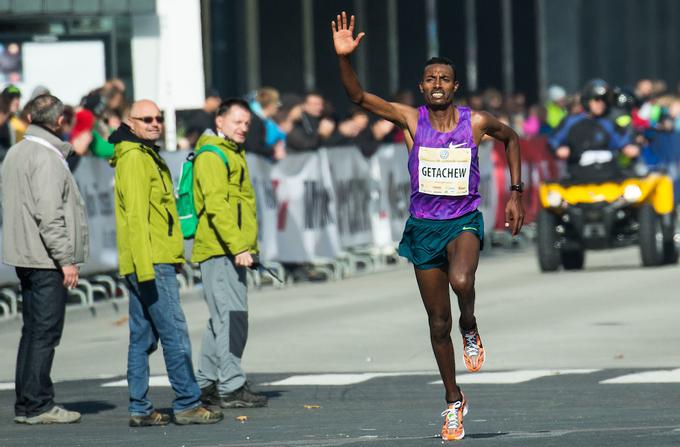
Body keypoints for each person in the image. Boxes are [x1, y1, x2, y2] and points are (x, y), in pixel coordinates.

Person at [332, 12, 524, 441]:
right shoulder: (408, 119)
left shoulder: (474, 122)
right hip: (423, 227)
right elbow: (360, 97)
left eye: (445, 78)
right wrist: (344, 59)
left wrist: (516, 192)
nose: (438, 83)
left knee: (461, 280)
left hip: (463, 221)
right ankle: (453, 400)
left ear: (455, 86)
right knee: (437, 323)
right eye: (431, 78)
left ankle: (470, 324)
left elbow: (512, 137)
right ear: (423, 87)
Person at [108, 99, 223, 427]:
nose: (154, 123)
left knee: (142, 336)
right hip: (149, 263)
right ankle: (187, 402)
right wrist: (146, 270)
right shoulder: (134, 159)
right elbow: (136, 220)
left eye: (157, 118)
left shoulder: (143, 154)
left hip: (154, 260)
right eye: (146, 119)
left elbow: (160, 218)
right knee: (174, 332)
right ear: (131, 123)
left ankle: (140, 408)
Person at [1, 94, 89, 425]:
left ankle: (28, 403)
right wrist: (65, 259)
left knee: (33, 330)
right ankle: (37, 404)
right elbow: (49, 215)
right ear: (58, 121)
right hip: (44, 257)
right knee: (45, 331)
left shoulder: (17, 151)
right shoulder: (46, 156)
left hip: (26, 253)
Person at [191, 99, 268, 409]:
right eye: (237, 121)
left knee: (221, 318)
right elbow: (217, 206)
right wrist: (238, 246)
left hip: (227, 249)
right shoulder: (213, 155)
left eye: (246, 123)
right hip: (221, 250)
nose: (243, 128)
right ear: (219, 121)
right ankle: (231, 386)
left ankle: (207, 382)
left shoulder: (230, 152)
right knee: (232, 318)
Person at [549, 79, 640, 181]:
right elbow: (554, 140)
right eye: (597, 99)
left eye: (604, 100)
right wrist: (558, 149)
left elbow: (622, 141)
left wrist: (629, 147)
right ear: (587, 101)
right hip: (579, 175)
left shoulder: (609, 122)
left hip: (609, 176)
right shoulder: (572, 121)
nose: (601, 104)